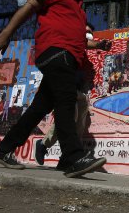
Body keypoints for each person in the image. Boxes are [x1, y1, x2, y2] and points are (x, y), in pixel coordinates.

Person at [0, 0, 109, 178]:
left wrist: (98, 46)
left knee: (39, 108)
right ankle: (72, 157)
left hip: (69, 59)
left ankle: (4, 149)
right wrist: (6, 33)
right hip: (55, 51)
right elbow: (28, 8)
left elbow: (80, 39)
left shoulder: (79, 9)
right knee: (66, 101)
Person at [34, 24, 111, 169]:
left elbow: (88, 44)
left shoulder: (82, 53)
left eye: (90, 32)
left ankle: (66, 159)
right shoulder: (72, 40)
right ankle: (44, 144)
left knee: (79, 125)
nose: (88, 34)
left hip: (78, 90)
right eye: (86, 31)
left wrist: (99, 45)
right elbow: (86, 42)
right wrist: (97, 44)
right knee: (68, 118)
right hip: (65, 87)